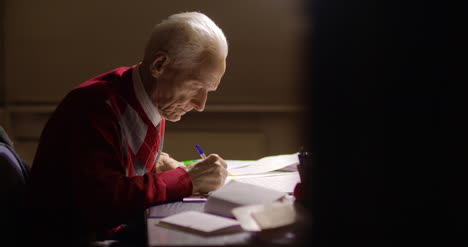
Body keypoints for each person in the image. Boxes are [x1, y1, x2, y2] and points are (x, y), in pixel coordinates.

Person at [27, 12, 228, 246]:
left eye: (208, 91)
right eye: (195, 86)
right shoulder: (95, 106)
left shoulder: (146, 95)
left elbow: (108, 162)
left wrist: (156, 164)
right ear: (159, 65)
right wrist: (186, 179)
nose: (200, 105)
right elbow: (102, 202)